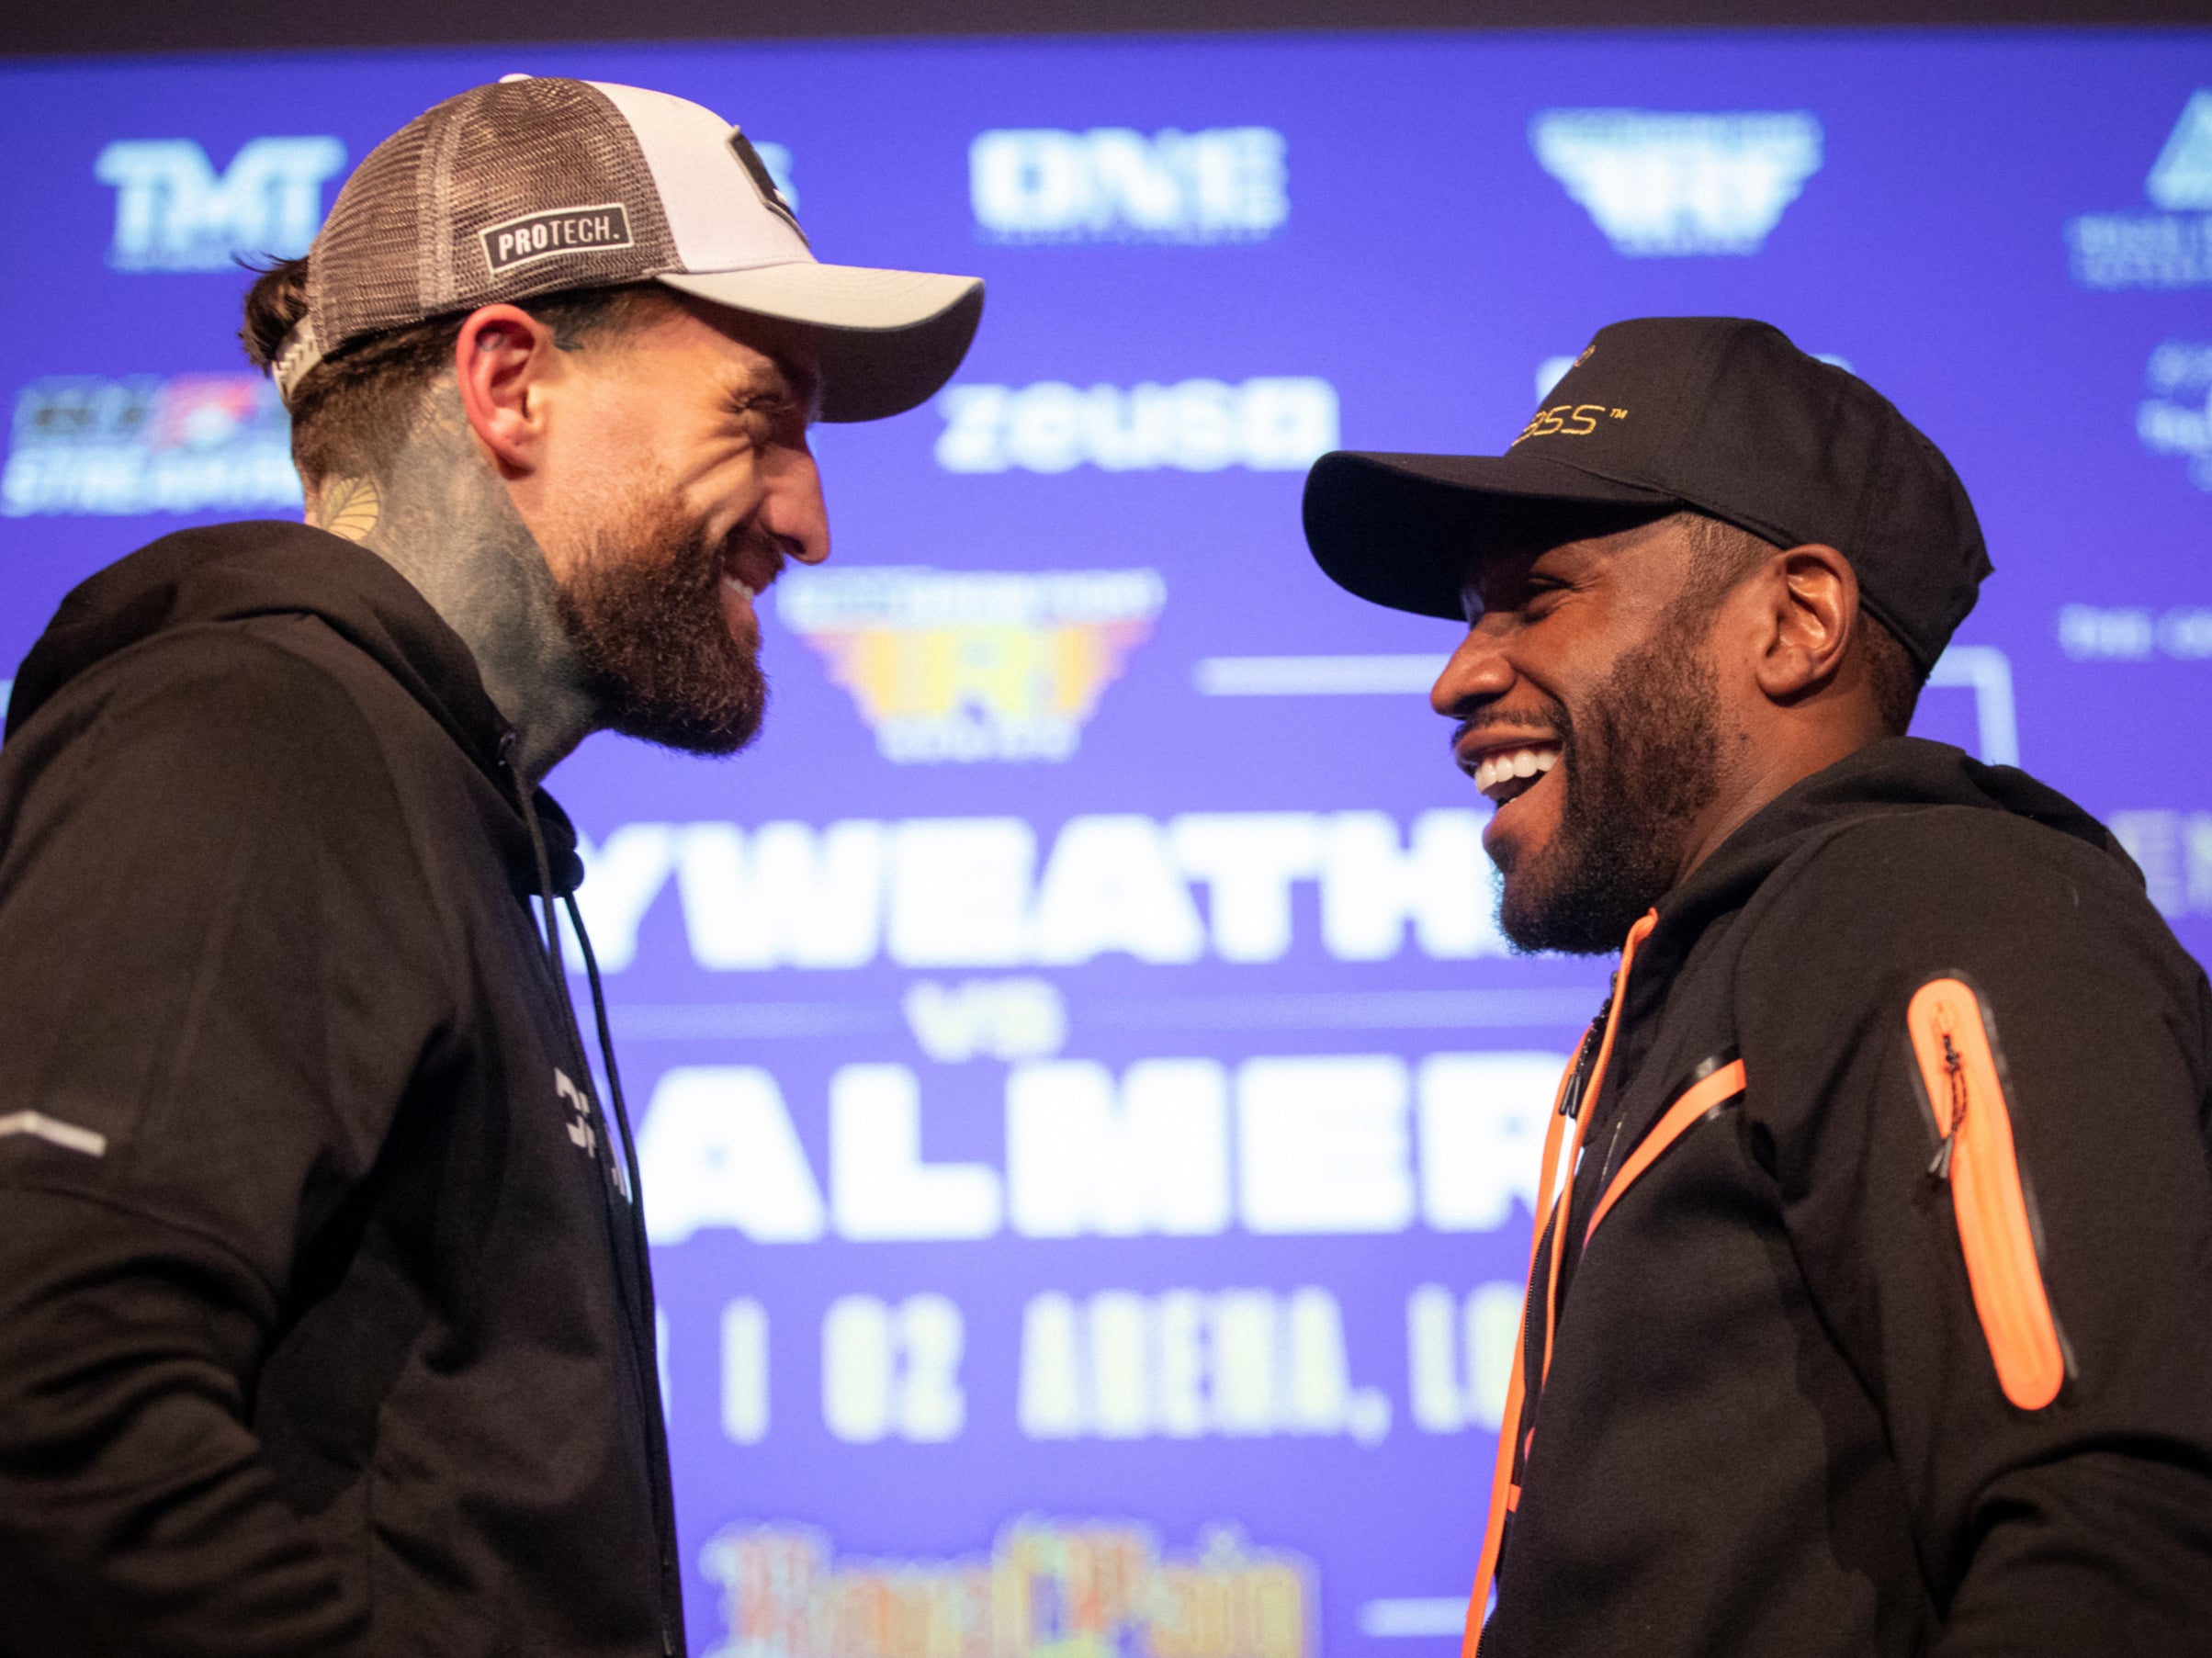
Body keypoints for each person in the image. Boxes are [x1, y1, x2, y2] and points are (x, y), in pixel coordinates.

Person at [0, 76, 981, 1657]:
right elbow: (45, 1391)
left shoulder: (429, 801)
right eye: (762, 417)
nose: (810, 521)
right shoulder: (250, 736)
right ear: (510, 384)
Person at [1303, 317, 2212, 1656]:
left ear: (1796, 623)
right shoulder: (1727, 976)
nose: (1458, 676)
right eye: (1466, 615)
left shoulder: (1929, 902)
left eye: (1536, 597)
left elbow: (2122, 1531)